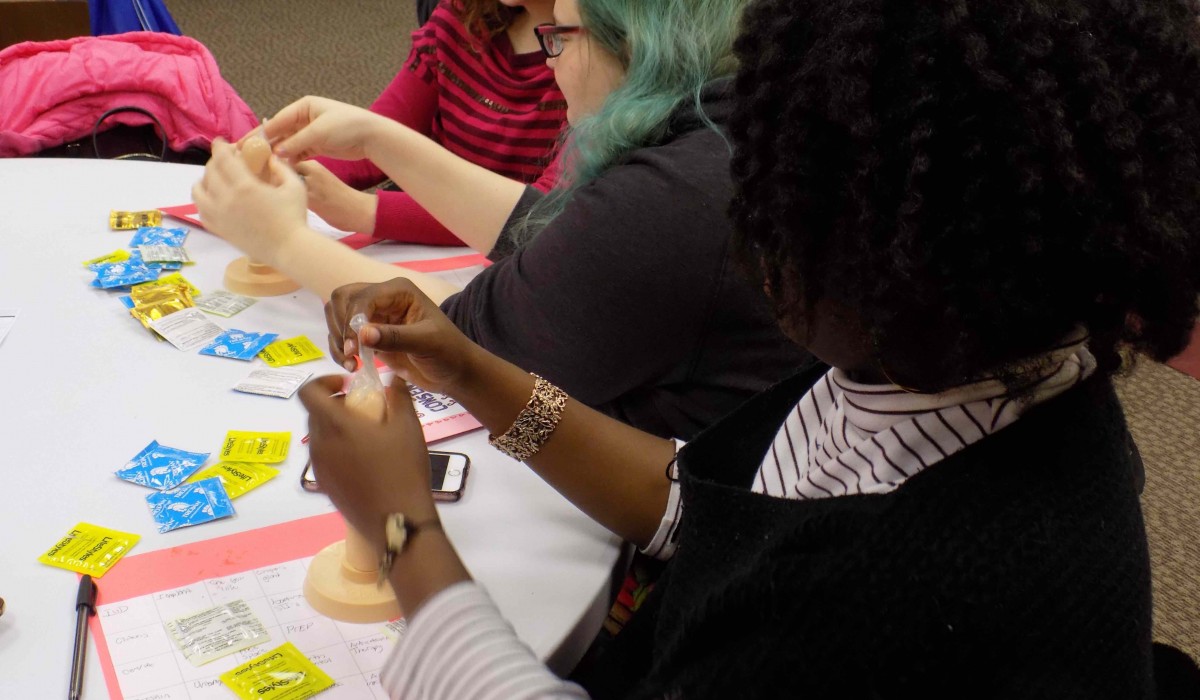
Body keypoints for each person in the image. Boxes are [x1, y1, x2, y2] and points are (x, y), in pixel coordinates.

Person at [298, 0, 1200, 696]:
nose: (749, 252)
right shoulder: (964, 367)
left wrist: (402, 528)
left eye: (786, 220)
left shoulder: (889, 601)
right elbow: (715, 506)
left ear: (916, 251)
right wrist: (476, 374)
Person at [193, 0, 806, 441]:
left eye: (560, 38)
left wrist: (281, 240)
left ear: (632, 42)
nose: (551, 61)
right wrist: (380, 137)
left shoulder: (665, 201)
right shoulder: (722, 136)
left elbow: (461, 344)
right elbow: (553, 234)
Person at [301, 0, 567, 245]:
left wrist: (358, 209)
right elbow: (376, 141)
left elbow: (538, 215)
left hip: (515, 257)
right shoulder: (464, 17)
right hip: (433, 232)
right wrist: (291, 168)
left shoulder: (591, 68)